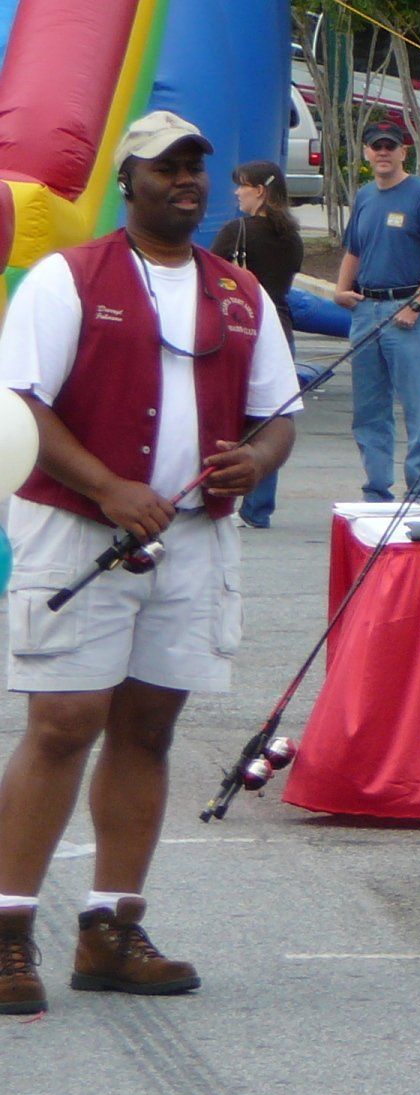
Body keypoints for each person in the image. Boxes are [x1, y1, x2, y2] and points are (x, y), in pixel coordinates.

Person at [0, 111, 300, 1015]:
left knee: (149, 726)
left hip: (194, 538)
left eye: (195, 167)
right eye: (166, 167)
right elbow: (22, 405)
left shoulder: (239, 289)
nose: (187, 181)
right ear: (126, 182)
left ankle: (111, 927)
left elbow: (278, 412)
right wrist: (108, 489)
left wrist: (259, 460)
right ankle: (8, 933)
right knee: (64, 720)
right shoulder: (66, 279)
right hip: (77, 532)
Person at [333, 118, 420, 503]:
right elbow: (354, 249)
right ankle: (376, 491)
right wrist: (341, 289)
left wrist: (417, 304)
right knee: (369, 412)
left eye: (391, 146)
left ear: (404, 152)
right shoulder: (365, 196)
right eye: (377, 146)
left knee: (419, 410)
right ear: (367, 153)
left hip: (408, 315)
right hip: (366, 312)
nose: (383, 152)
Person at [212, 159, 304, 529]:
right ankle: (259, 508)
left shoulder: (237, 231)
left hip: (241, 329)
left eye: (242, 186)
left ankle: (221, 495)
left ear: (260, 191)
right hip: (281, 330)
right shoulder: (292, 238)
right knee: (271, 418)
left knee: (229, 416)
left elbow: (209, 275)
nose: (236, 192)